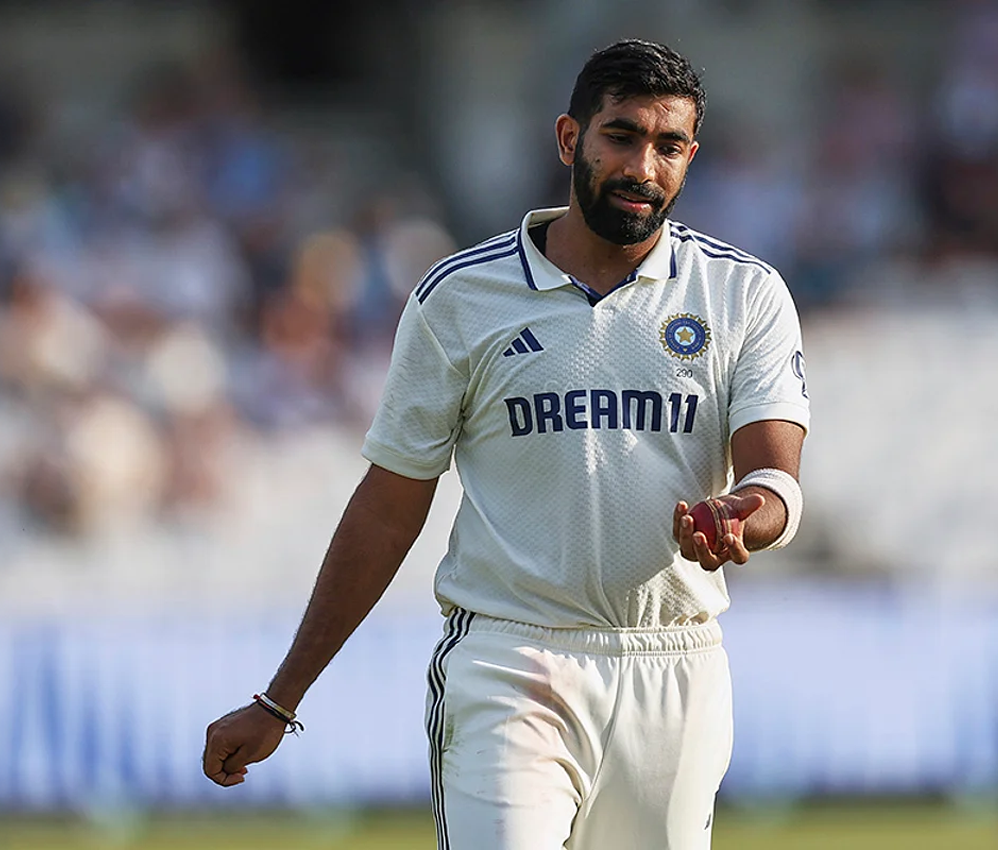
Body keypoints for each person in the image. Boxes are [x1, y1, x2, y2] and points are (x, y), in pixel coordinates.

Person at [202, 39, 810, 849]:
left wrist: (745, 513)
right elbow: (387, 509)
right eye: (621, 136)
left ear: (691, 157)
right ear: (570, 140)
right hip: (509, 656)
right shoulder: (460, 296)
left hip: (676, 663)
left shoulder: (743, 292)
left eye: (668, 146)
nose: (643, 166)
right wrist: (282, 698)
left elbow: (775, 477)